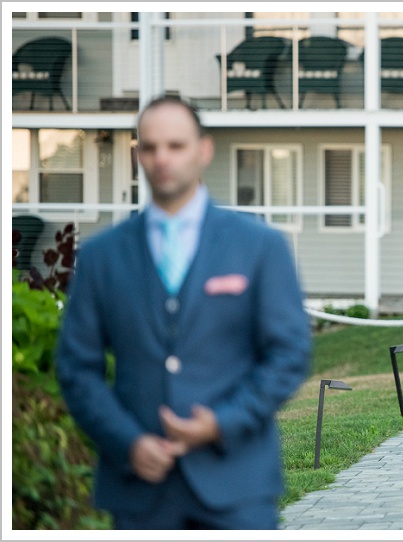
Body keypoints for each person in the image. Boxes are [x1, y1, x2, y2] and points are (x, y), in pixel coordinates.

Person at [56, 96, 312, 529]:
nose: (162, 159)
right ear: (137, 154)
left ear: (203, 150)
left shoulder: (258, 246)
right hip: (140, 486)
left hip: (237, 484)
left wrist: (221, 423)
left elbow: (289, 354)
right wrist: (128, 442)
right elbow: (77, 368)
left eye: (176, 145)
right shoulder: (102, 256)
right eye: (151, 147)